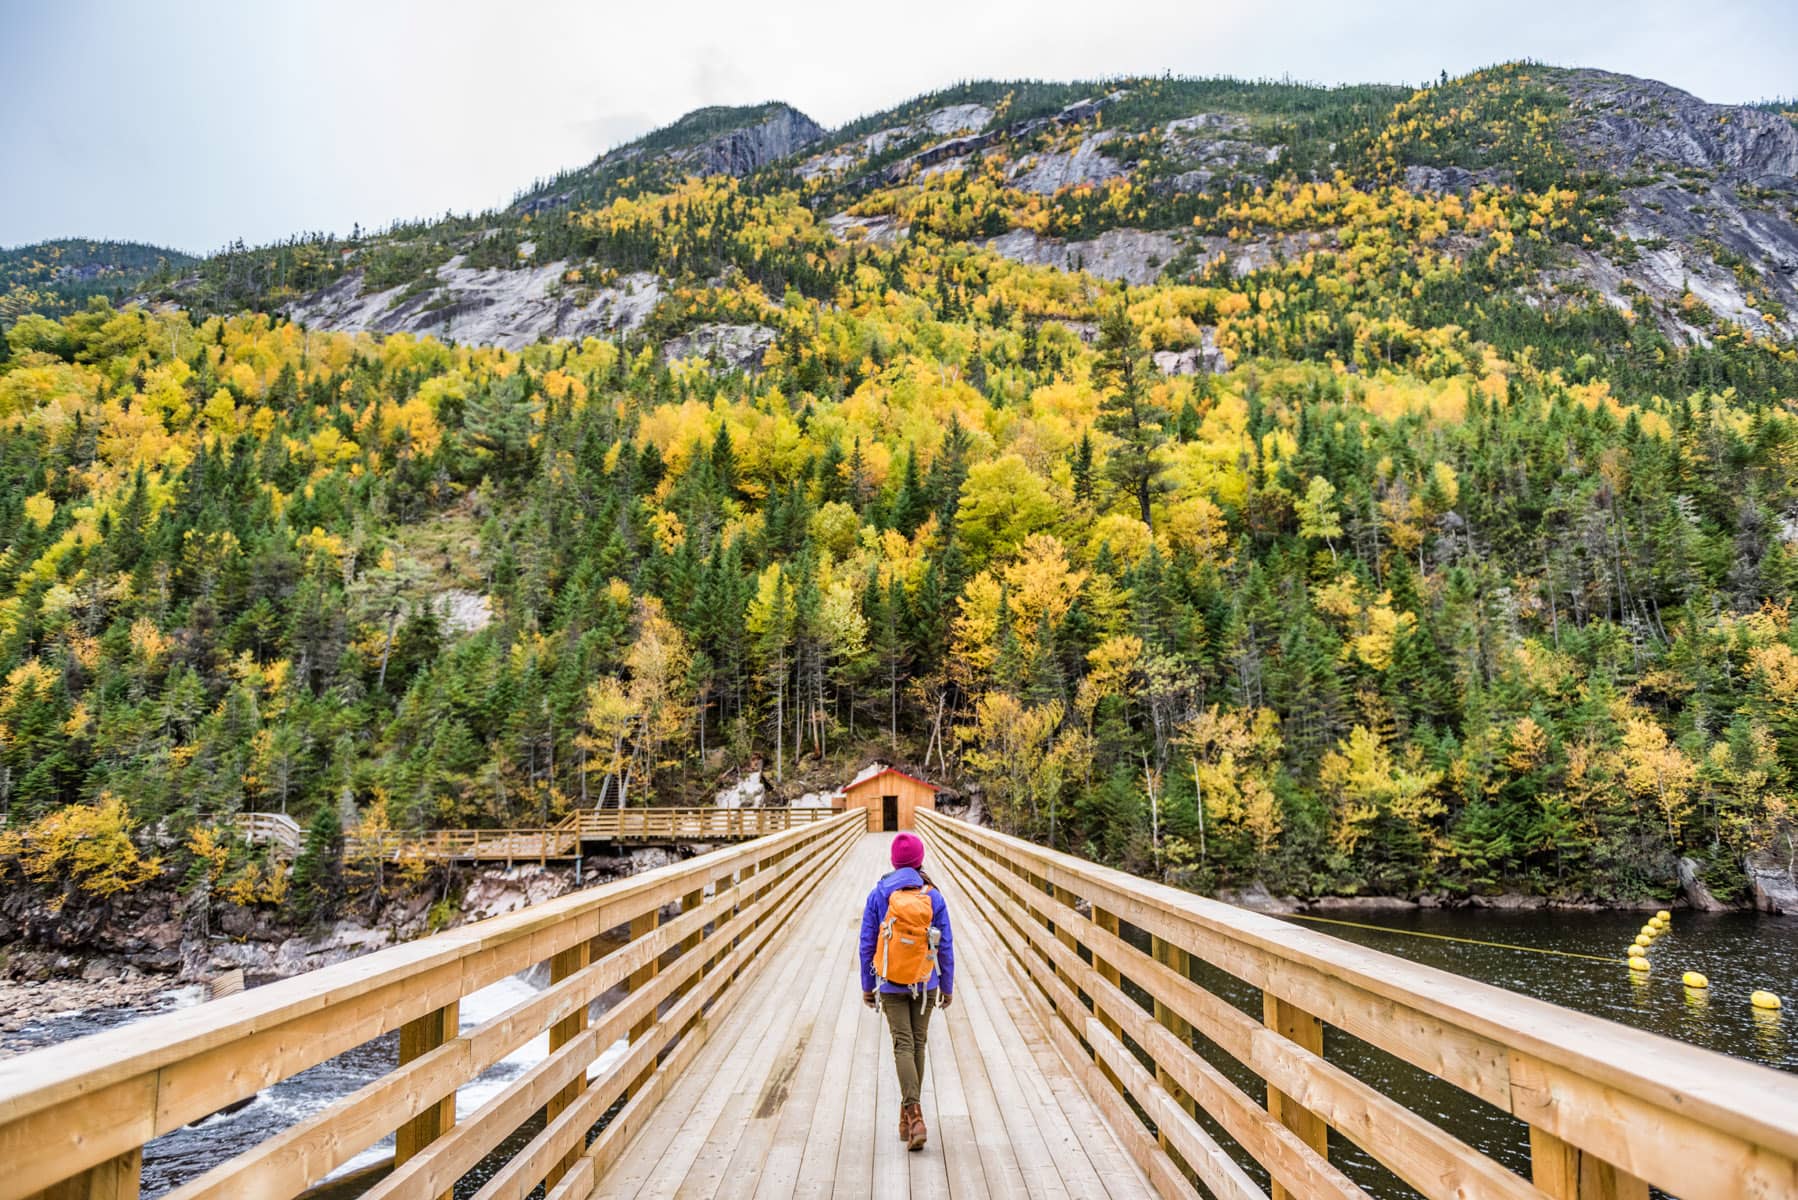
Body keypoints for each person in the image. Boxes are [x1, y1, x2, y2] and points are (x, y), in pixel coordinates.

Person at [859, 830, 954, 1151]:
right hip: (925, 981)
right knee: (918, 1044)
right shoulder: (933, 896)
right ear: (919, 860)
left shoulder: (878, 894)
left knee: (902, 1043)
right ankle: (911, 1115)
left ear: (893, 861)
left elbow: (867, 943)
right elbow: (947, 946)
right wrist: (947, 985)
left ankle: (912, 1116)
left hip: (889, 980)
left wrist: (866, 985)